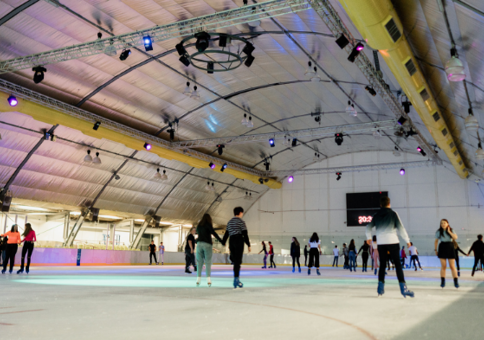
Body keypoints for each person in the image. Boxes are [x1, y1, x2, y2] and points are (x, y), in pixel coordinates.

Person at [366, 196, 414, 298]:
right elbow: (401, 228)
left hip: (381, 243)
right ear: (389, 204)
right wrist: (407, 240)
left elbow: (368, 227)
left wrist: (368, 237)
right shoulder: (393, 214)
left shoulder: (376, 215)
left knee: (382, 265)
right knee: (397, 264)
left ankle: (380, 288)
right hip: (393, 241)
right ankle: (403, 288)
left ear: (380, 205)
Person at [222, 207, 251, 289]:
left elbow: (227, 233)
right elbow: (245, 234)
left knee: (235, 261)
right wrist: (248, 244)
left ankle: (236, 276)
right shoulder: (241, 222)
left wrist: (223, 241)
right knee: (238, 261)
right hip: (239, 240)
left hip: (231, 241)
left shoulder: (230, 222)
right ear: (241, 213)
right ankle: (236, 279)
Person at [195, 214, 223, 287]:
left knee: (199, 262)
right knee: (208, 262)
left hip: (199, 244)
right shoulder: (208, 225)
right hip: (207, 244)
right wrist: (221, 241)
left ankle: (198, 280)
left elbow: (198, 235)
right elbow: (214, 233)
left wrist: (196, 241)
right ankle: (208, 280)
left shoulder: (199, 225)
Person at [434, 219, 459, 288]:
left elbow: (455, 237)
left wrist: (449, 232)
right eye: (441, 223)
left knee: (452, 266)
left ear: (447, 224)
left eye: (444, 223)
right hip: (442, 247)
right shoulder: (439, 231)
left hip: (450, 247)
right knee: (443, 266)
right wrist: (436, 250)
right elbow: (436, 241)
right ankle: (442, 281)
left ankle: (456, 281)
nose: (443, 224)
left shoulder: (451, 230)